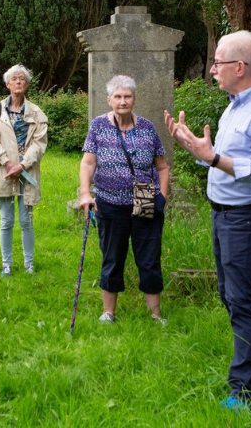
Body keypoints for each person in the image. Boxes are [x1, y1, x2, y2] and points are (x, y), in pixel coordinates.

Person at [164, 30, 251, 410]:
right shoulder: (233, 106)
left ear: (239, 67)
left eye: (218, 63)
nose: (212, 69)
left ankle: (243, 390)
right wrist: (195, 148)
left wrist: (211, 157)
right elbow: (222, 159)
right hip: (222, 214)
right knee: (230, 297)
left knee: (240, 301)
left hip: (244, 218)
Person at [80, 75, 169, 324]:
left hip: (143, 197)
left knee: (149, 256)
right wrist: (86, 193)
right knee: (112, 256)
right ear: (109, 100)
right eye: (118, 97)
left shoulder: (148, 128)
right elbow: (88, 162)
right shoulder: (98, 126)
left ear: (134, 99)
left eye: (127, 96)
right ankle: (109, 312)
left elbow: (162, 167)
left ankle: (155, 314)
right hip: (109, 200)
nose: (123, 101)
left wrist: (161, 197)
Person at [0, 64, 47, 276]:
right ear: (7, 84)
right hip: (4, 171)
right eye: (14, 79)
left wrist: (22, 165)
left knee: (26, 220)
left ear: (27, 84)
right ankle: (7, 265)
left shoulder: (37, 112)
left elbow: (40, 144)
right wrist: (8, 163)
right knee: (6, 220)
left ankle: (29, 265)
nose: (18, 82)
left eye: (22, 79)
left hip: (26, 172)